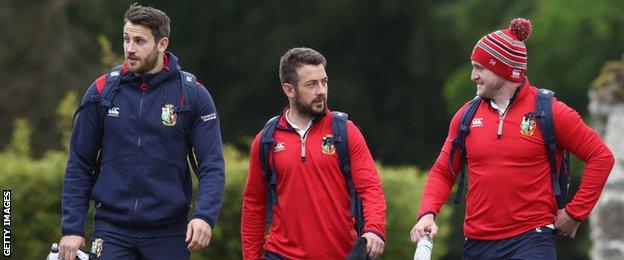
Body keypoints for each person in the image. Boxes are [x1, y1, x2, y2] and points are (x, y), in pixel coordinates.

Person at [410, 18, 614, 259]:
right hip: (477, 244)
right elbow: (444, 171)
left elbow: (601, 157)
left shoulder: (551, 111)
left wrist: (575, 213)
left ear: (503, 69)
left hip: (532, 240)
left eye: (480, 68)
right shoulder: (466, 116)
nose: (473, 76)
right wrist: (427, 213)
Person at [59, 4, 225, 260]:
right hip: (111, 230)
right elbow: (80, 162)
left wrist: (204, 216)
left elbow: (212, 164)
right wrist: (72, 228)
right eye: (126, 39)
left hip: (169, 233)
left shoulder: (192, 94)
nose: (129, 48)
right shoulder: (102, 91)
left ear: (162, 44)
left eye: (139, 41)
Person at [241, 47, 387, 259]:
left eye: (324, 82)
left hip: (340, 254)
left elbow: (370, 188)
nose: (321, 90)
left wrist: (374, 229)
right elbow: (254, 204)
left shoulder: (345, 131)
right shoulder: (266, 140)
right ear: (289, 90)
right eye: (312, 84)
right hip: (281, 254)